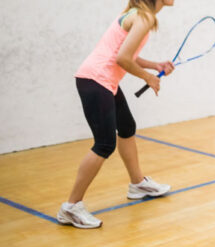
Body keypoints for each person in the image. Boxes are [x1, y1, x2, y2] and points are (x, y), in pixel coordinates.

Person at [58, 0, 176, 229]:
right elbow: (122, 58)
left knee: (127, 127)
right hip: (96, 80)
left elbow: (127, 53)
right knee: (104, 144)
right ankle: (71, 207)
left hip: (101, 80)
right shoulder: (144, 17)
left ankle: (137, 183)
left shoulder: (137, 14)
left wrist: (155, 65)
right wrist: (148, 78)